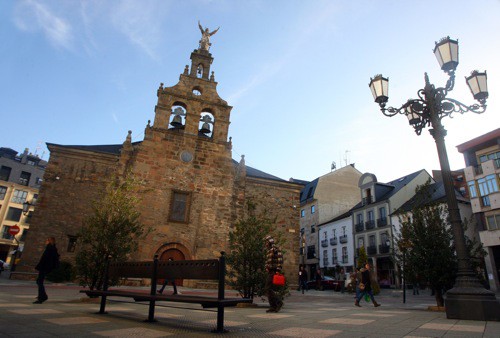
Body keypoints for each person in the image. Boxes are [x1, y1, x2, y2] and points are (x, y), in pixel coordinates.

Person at [34, 237, 59, 304]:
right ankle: (43, 295)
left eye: (47, 240)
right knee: (39, 281)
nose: (46, 241)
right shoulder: (52, 248)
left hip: (44, 267)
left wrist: (42, 267)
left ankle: (42, 297)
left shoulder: (49, 248)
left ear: (49, 241)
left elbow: (46, 259)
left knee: (40, 282)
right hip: (45, 267)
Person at [265, 235, 284, 313]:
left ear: (270, 242)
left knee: (268, 288)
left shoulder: (275, 249)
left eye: (266, 242)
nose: (265, 243)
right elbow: (268, 261)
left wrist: (278, 270)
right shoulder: (269, 250)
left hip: (274, 271)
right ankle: (273, 306)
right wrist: (266, 267)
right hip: (270, 271)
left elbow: (280, 259)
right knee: (269, 288)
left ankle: (278, 302)